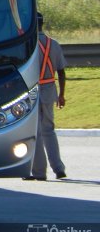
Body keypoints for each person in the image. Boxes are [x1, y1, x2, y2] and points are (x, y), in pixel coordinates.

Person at [24, 12, 67, 181]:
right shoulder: (53, 44)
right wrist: (62, 94)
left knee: (34, 132)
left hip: (32, 91)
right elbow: (62, 72)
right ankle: (59, 168)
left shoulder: (29, 44)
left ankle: (39, 172)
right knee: (49, 129)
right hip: (50, 90)